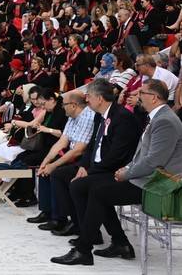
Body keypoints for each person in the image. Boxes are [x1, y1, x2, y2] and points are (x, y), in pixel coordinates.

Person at [50, 79, 142, 266]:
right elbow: (93, 145)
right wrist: (84, 166)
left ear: (99, 98)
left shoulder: (123, 118)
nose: (86, 99)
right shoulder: (100, 115)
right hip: (100, 167)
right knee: (72, 180)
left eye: (89, 96)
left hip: (117, 171)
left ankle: (88, 242)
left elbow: (118, 155)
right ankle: (113, 240)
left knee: (83, 186)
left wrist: (91, 171)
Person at [28, 90, 94, 230]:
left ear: (74, 105)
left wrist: (54, 165)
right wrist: (46, 162)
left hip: (83, 158)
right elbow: (61, 143)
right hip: (70, 153)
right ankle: (48, 211)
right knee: (45, 169)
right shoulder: (71, 116)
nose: (62, 107)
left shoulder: (88, 117)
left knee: (55, 172)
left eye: (64, 104)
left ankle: (60, 217)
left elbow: (79, 150)